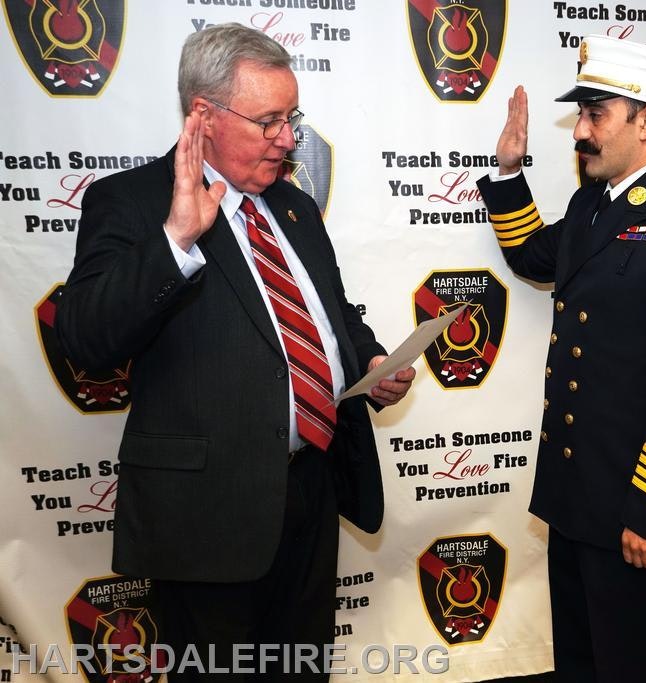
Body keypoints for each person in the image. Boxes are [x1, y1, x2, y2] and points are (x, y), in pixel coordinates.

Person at [55, 23, 415, 680]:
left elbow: (328, 313)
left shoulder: (296, 205)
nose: (288, 137)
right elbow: (85, 339)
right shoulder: (132, 202)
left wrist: (367, 360)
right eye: (269, 120)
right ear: (203, 115)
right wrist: (175, 239)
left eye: (292, 117)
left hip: (311, 489)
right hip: (207, 514)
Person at [476, 35, 646, 681]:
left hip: (635, 508)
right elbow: (535, 258)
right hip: (579, 497)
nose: (581, 131)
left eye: (596, 114)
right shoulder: (592, 204)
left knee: (633, 664)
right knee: (580, 658)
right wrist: (509, 172)